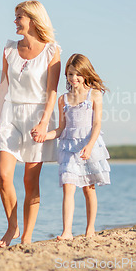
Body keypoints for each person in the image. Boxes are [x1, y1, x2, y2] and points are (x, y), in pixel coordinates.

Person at [0, 0, 61, 247]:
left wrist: (44, 124)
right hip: (11, 113)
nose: (15, 21)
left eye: (19, 16)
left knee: (30, 181)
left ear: (33, 19)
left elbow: (52, 91)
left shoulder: (52, 51)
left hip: (37, 116)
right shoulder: (9, 49)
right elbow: (3, 87)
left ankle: (27, 237)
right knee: (3, 176)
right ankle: (12, 227)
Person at [44, 53, 111, 240]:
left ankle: (90, 228)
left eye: (77, 74)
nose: (73, 78)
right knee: (68, 186)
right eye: (70, 74)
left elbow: (97, 124)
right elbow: (60, 129)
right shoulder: (63, 99)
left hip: (88, 146)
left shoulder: (94, 95)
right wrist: (44, 135)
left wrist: (89, 146)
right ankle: (67, 232)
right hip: (68, 148)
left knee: (89, 189)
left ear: (85, 73)